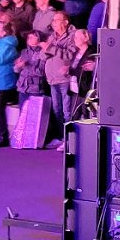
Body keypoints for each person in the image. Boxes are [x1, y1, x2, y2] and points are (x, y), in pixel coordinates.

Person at [42, 11, 77, 148]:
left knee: (67, 111)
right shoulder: (52, 36)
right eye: (53, 20)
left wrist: (51, 48)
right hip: (52, 79)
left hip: (65, 79)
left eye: (57, 20)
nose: (54, 23)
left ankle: (69, 139)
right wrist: (47, 50)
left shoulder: (72, 36)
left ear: (66, 22)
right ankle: (61, 137)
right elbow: (42, 56)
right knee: (57, 110)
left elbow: (69, 55)